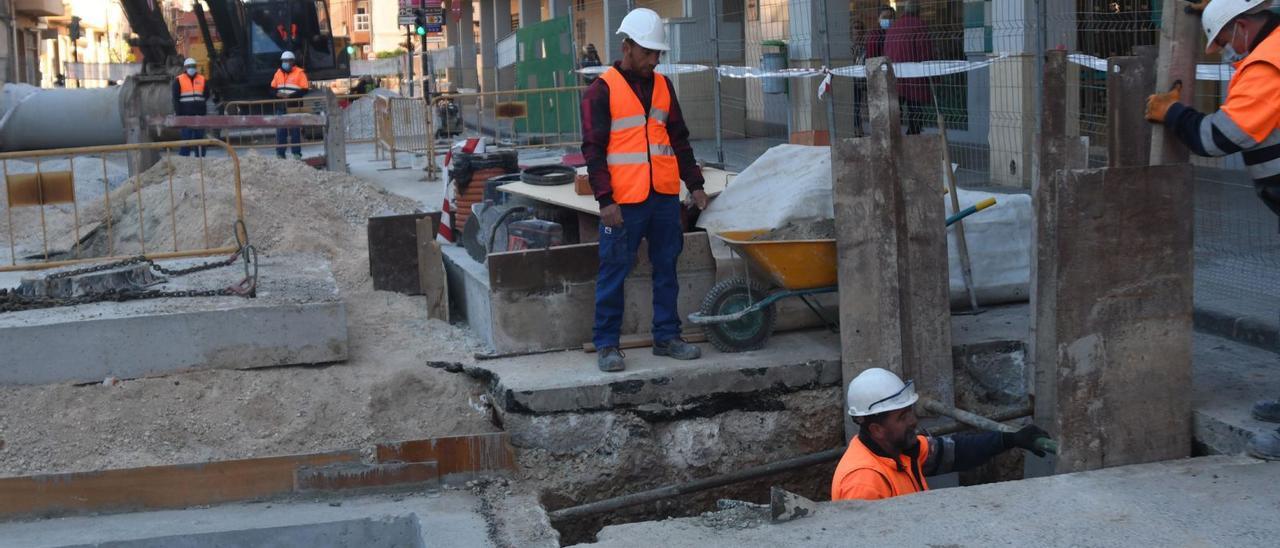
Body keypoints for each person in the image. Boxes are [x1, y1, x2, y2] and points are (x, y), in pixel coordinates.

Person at [1145, 0, 1280, 461]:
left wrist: (1174, 113)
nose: (1226, 51)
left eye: (1224, 40)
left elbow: (1216, 138)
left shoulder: (1269, 62)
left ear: (1244, 26)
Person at [581, 8, 708, 372]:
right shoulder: (600, 91)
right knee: (613, 270)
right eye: (648, 53)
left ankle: (667, 336)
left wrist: (695, 184)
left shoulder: (665, 87)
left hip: (664, 197)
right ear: (628, 47)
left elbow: (679, 140)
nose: (654, 60)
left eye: (658, 54)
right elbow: (593, 150)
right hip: (623, 203)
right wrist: (605, 200)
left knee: (667, 267)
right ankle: (607, 344)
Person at [832, 368, 1054, 501]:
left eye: (909, 412)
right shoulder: (864, 482)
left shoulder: (900, 451)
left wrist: (1010, 439)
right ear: (876, 429)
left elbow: (956, 451)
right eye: (902, 417)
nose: (913, 421)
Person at [883, 1, 932, 135]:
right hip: (914, 77)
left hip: (895, 76)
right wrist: (932, 75)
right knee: (915, 111)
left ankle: (894, 140)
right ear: (918, 11)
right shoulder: (920, 26)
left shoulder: (894, 27)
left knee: (895, 112)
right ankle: (913, 138)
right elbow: (925, 53)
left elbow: (886, 52)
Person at [271, 51, 310, 160]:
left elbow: (304, 89)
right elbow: (272, 89)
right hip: (281, 106)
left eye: (287, 61)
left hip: (294, 106)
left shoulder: (300, 73)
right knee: (281, 131)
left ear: (293, 61)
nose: (285, 63)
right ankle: (280, 153)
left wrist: (291, 96)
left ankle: (296, 153)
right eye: (283, 61)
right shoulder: (278, 73)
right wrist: (276, 94)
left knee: (295, 130)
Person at [172, 58, 209, 157]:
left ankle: (201, 159)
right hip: (185, 115)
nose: (191, 68)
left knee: (200, 138)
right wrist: (179, 114)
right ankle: (184, 160)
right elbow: (175, 99)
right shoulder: (178, 80)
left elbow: (206, 95)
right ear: (185, 68)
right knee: (186, 139)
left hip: (199, 115)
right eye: (189, 66)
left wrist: (201, 107)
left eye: (193, 66)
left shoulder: (202, 79)